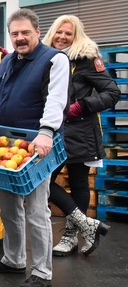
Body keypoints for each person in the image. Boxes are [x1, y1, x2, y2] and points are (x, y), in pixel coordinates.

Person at [0, 8, 69, 287]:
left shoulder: (54, 60)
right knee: (8, 206)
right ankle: (14, 259)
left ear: (37, 33)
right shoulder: (6, 62)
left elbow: (56, 99)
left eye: (25, 33)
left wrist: (46, 132)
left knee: (36, 210)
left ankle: (42, 271)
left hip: (36, 147)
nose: (20, 38)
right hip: (6, 145)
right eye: (15, 34)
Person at [42, 15, 116, 256]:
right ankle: (89, 225)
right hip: (53, 131)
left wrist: (81, 105)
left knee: (79, 182)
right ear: (52, 33)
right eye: (59, 32)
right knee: (42, 182)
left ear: (77, 37)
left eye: (68, 33)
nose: (62, 37)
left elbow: (112, 92)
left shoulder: (86, 60)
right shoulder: (46, 58)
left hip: (80, 131)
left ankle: (71, 237)